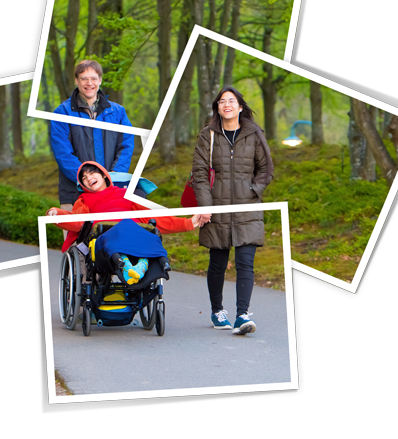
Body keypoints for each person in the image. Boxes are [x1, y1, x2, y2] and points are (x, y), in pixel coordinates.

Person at [191, 86, 274, 335]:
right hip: (216, 208)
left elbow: (266, 169)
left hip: (247, 208)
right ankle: (218, 311)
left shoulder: (253, 133)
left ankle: (242, 315)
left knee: (245, 262)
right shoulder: (208, 135)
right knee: (217, 263)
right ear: (217, 107)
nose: (226, 104)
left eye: (232, 100)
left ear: (239, 106)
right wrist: (206, 207)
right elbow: (199, 174)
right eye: (222, 101)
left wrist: (252, 191)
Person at [47, 160, 209, 284]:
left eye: (91, 173)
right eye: (84, 178)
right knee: (120, 231)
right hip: (104, 234)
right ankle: (130, 266)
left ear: (104, 174)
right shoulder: (84, 199)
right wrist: (58, 214)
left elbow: (152, 217)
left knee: (149, 234)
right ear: (83, 184)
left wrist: (188, 223)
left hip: (132, 230)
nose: (89, 178)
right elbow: (78, 222)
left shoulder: (126, 193)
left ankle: (139, 265)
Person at [50, 60, 140, 226]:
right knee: (75, 245)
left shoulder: (118, 112)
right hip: (74, 192)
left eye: (93, 78)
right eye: (84, 78)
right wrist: (85, 179)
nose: (89, 83)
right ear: (77, 81)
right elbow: (62, 153)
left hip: (111, 192)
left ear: (100, 79)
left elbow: (126, 146)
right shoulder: (61, 112)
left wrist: (112, 177)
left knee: (110, 243)